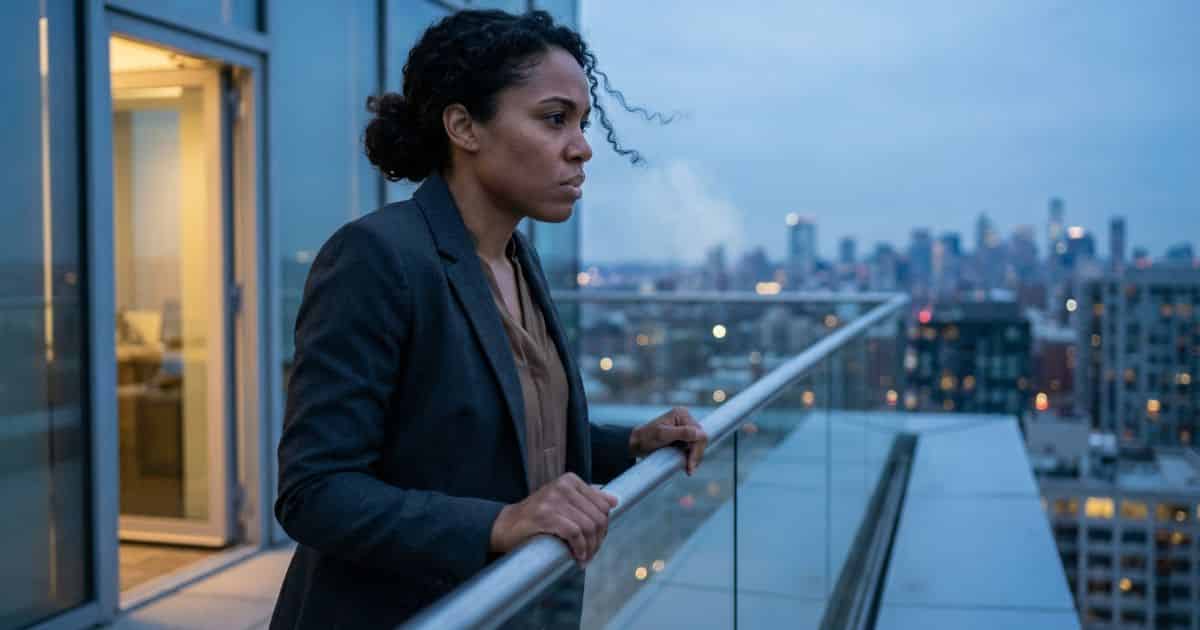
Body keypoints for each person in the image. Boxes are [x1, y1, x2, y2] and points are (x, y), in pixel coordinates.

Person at [269, 9, 708, 629]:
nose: (582, 145)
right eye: (555, 118)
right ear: (463, 126)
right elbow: (315, 493)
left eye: (582, 122)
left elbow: (505, 438)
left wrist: (631, 443)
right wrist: (501, 523)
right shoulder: (377, 258)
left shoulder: (516, 257)